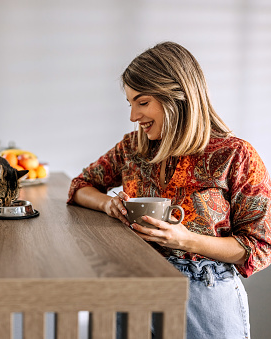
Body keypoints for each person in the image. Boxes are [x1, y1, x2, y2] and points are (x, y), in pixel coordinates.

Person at [67, 41, 271, 338]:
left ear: (178, 96)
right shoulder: (133, 148)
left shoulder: (236, 155)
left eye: (143, 102)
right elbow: (80, 186)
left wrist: (186, 240)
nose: (133, 116)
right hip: (135, 287)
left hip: (204, 299)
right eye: (130, 103)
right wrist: (107, 205)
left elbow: (260, 247)